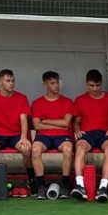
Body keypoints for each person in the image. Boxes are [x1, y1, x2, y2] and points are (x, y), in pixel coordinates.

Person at [0, 69, 34, 195]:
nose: (11, 84)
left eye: (13, 81)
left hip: (16, 135)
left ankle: (31, 179)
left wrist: (24, 137)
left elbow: (23, 120)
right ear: (0, 82)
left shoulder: (21, 98)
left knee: (27, 149)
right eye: (8, 81)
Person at [71, 69, 108, 202]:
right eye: (92, 85)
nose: (95, 88)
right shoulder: (80, 100)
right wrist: (77, 131)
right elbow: (76, 122)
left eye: (97, 85)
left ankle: (103, 187)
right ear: (87, 84)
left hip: (105, 133)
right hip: (88, 134)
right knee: (80, 148)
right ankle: (80, 185)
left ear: (101, 83)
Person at [30, 71, 75, 199]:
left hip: (62, 135)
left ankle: (65, 185)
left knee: (68, 149)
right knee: (35, 149)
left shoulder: (67, 102)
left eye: (57, 83)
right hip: (43, 136)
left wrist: (46, 120)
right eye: (52, 83)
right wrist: (57, 124)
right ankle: (41, 185)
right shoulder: (37, 103)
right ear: (45, 84)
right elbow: (37, 126)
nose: (56, 86)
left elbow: (66, 123)